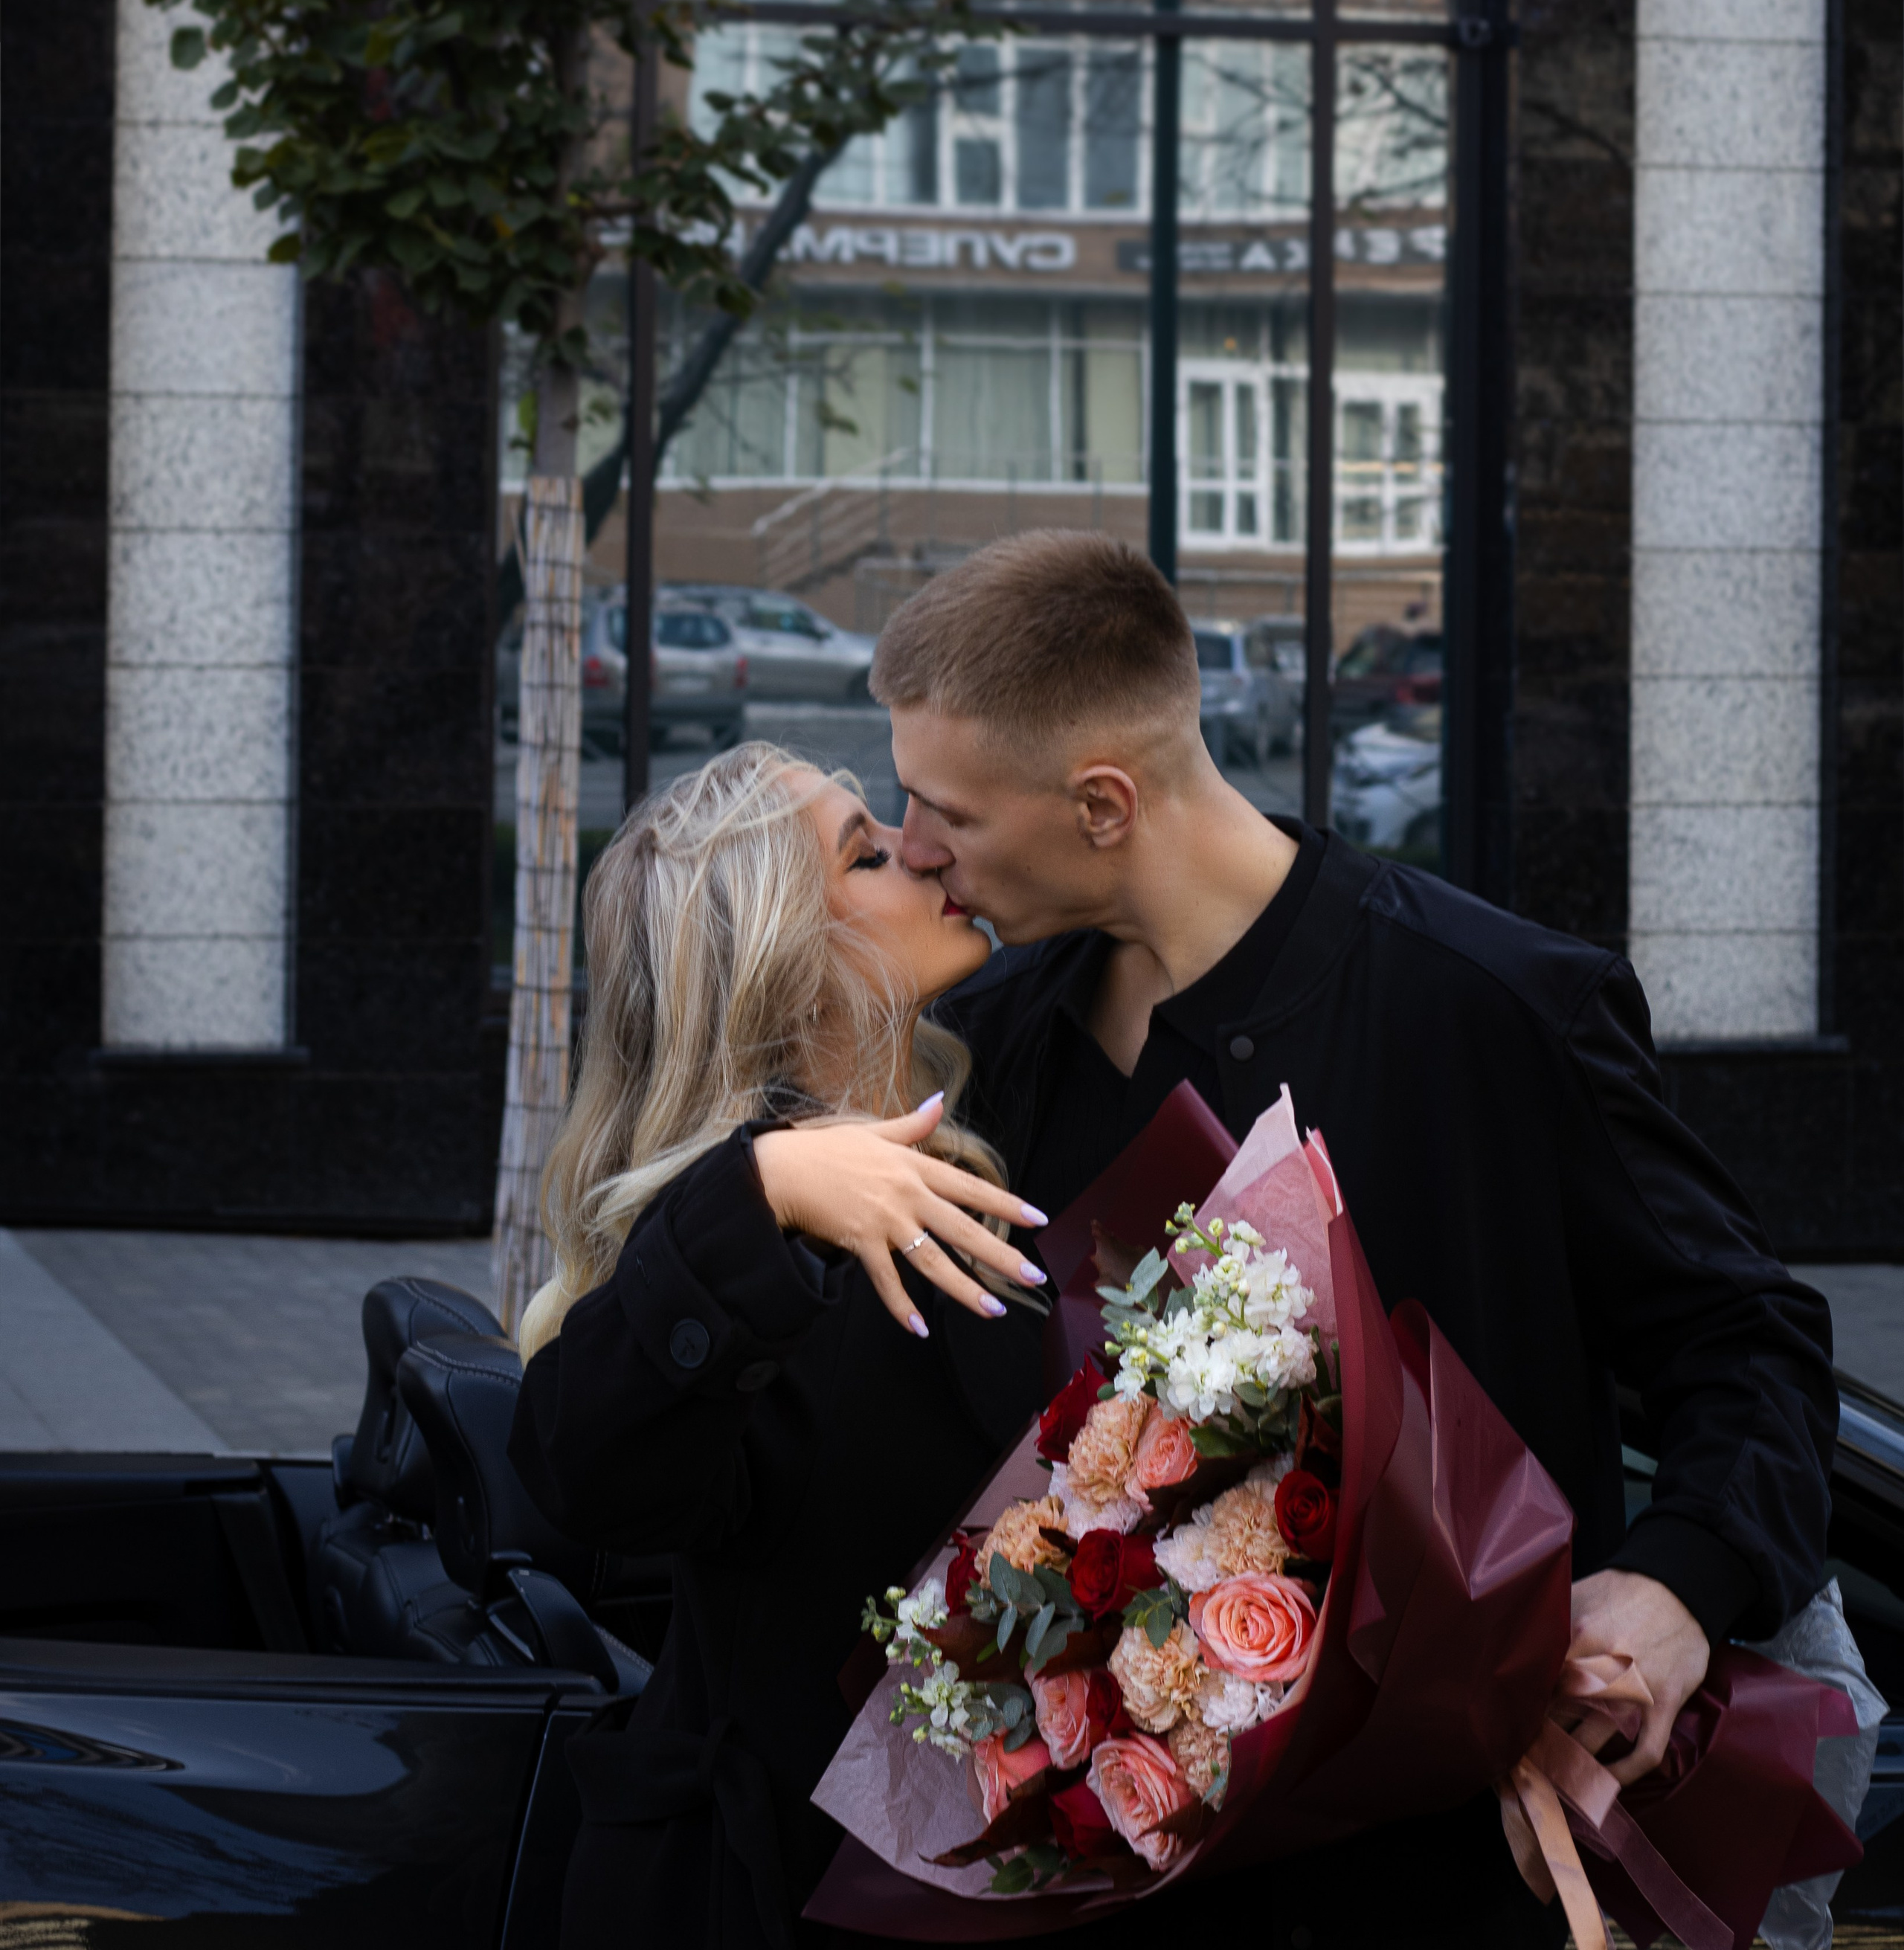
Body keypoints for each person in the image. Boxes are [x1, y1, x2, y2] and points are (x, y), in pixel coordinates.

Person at [869, 528, 1839, 1933]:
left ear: (1100, 802)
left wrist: (1683, 1586)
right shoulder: (997, 1047)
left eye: (942, 808)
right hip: (1089, 1877)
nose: (914, 849)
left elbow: (1750, 1347)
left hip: (1442, 1878)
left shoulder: (1497, 1008)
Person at [507, 740, 1054, 1946]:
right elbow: (575, 1459)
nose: (920, 849)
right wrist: (762, 1187)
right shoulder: (733, 1225)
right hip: (769, 1894)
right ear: (787, 959)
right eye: (867, 849)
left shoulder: (976, 1129)